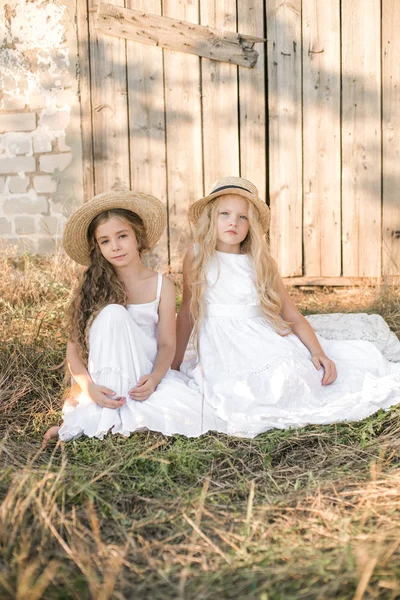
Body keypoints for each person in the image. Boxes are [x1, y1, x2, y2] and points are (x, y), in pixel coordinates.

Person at [172, 176, 400, 438]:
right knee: (240, 392)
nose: (233, 222)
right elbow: (188, 313)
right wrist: (175, 364)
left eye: (242, 217)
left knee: (293, 375)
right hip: (223, 347)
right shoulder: (198, 255)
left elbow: (291, 314)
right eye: (225, 213)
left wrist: (318, 352)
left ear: (252, 226)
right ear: (211, 218)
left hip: (263, 340)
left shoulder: (259, 262)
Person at [45, 191, 214, 443]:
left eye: (122, 236)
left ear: (138, 237)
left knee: (195, 412)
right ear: (98, 248)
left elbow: (167, 343)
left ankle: (112, 414)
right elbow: (74, 352)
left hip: (142, 372)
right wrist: (89, 388)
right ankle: (100, 409)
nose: (115, 246)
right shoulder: (91, 287)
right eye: (105, 241)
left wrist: (156, 378)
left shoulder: (162, 285)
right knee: (112, 313)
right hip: (105, 378)